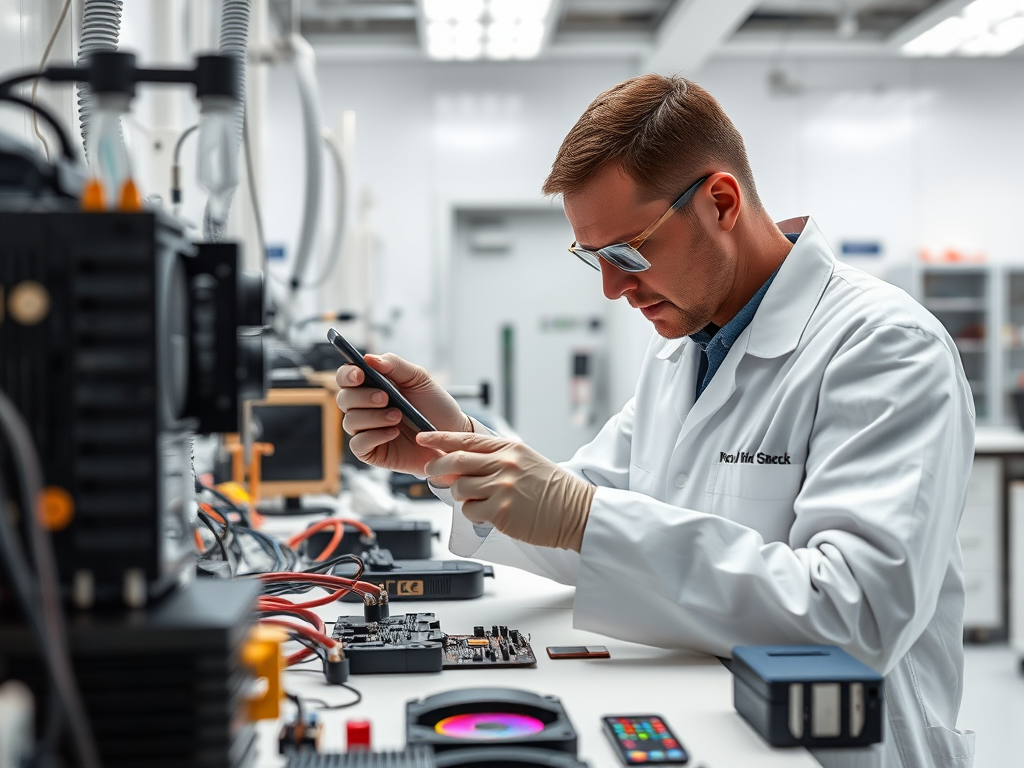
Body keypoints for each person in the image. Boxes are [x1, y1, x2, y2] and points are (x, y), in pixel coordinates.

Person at [335, 74, 975, 768]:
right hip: (709, 726)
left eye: (627, 252)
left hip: (835, 750)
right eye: (594, 259)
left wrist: (584, 516)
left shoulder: (883, 346)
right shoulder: (683, 352)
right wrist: (449, 452)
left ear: (721, 202)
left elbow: (855, 615)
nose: (612, 288)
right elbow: (578, 511)